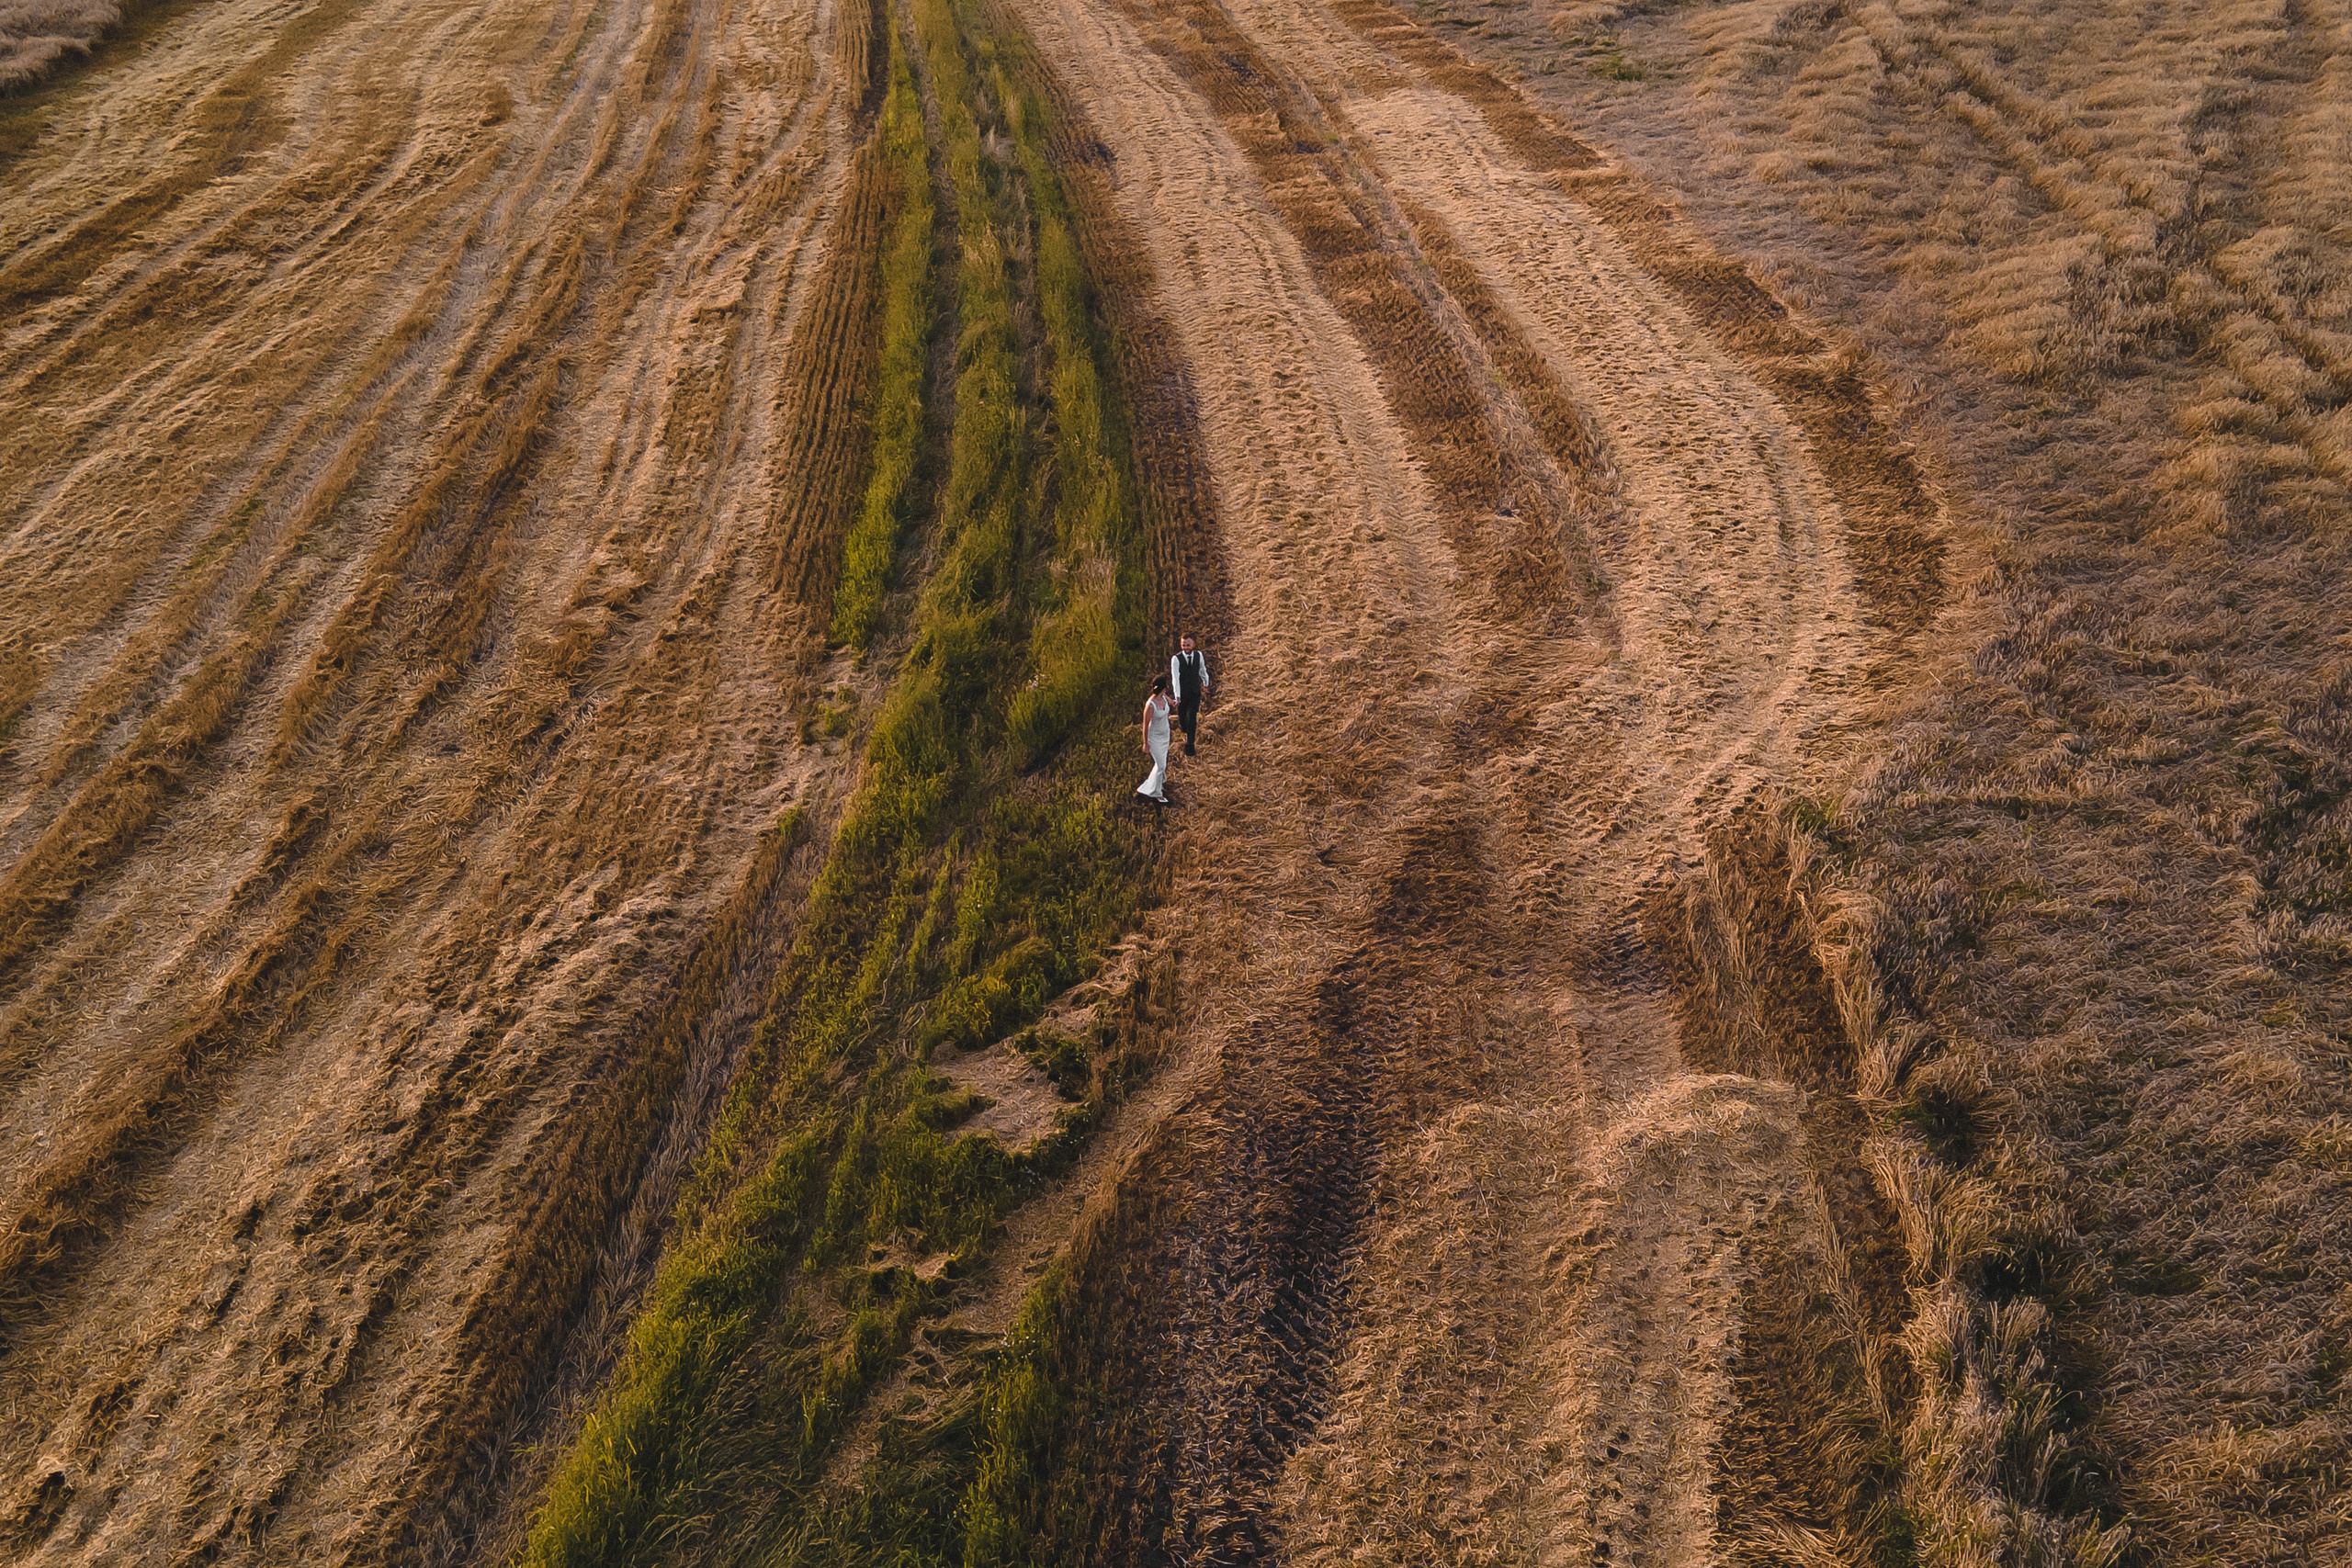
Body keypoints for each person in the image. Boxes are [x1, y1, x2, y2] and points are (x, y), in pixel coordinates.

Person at [1136, 673, 1175, 807]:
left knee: (1161, 763)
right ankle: (1157, 793)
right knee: (1161, 765)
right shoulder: (1150, 705)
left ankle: (1159, 780)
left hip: (1165, 735)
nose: (1166, 690)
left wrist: (1175, 703)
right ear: (1162, 688)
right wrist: (1145, 743)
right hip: (1155, 738)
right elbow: (1145, 725)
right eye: (1165, 688)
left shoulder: (1164, 697)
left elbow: (1172, 703)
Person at [1169, 634, 1211, 757]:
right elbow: (1175, 678)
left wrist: (1206, 682)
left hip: (1194, 692)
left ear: (1193, 644)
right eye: (1183, 645)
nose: (1186, 647)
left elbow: (1202, 669)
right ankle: (1185, 730)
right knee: (1183, 718)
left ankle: (1190, 746)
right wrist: (1177, 696)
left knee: (1192, 717)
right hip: (1182, 693)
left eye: (1188, 645)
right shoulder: (1176, 659)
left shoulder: (1199, 655)